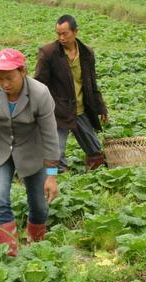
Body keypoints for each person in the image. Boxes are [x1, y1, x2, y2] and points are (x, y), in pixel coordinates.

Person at [0, 48, 60, 256]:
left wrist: (51, 175)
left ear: (22, 71)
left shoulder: (40, 93)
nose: (5, 84)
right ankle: (10, 254)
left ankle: (36, 245)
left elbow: (50, 135)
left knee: (40, 206)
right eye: (0, 78)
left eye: (9, 78)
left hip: (32, 149)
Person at [35, 14, 108, 173]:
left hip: (80, 107)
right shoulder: (48, 53)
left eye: (65, 33)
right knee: (56, 149)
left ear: (75, 32)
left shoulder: (87, 53)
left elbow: (91, 83)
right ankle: (58, 176)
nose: (61, 38)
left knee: (94, 147)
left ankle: (94, 166)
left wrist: (101, 107)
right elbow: (39, 83)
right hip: (57, 109)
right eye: (58, 34)